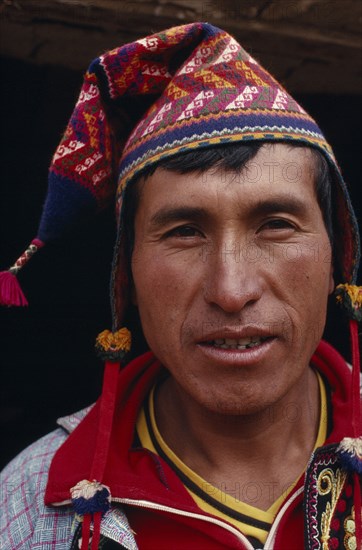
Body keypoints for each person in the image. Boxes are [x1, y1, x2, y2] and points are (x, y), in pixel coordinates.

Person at [0, 22, 361, 550]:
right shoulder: (27, 506)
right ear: (127, 274)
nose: (232, 290)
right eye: (185, 232)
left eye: (276, 224)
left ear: (338, 255)